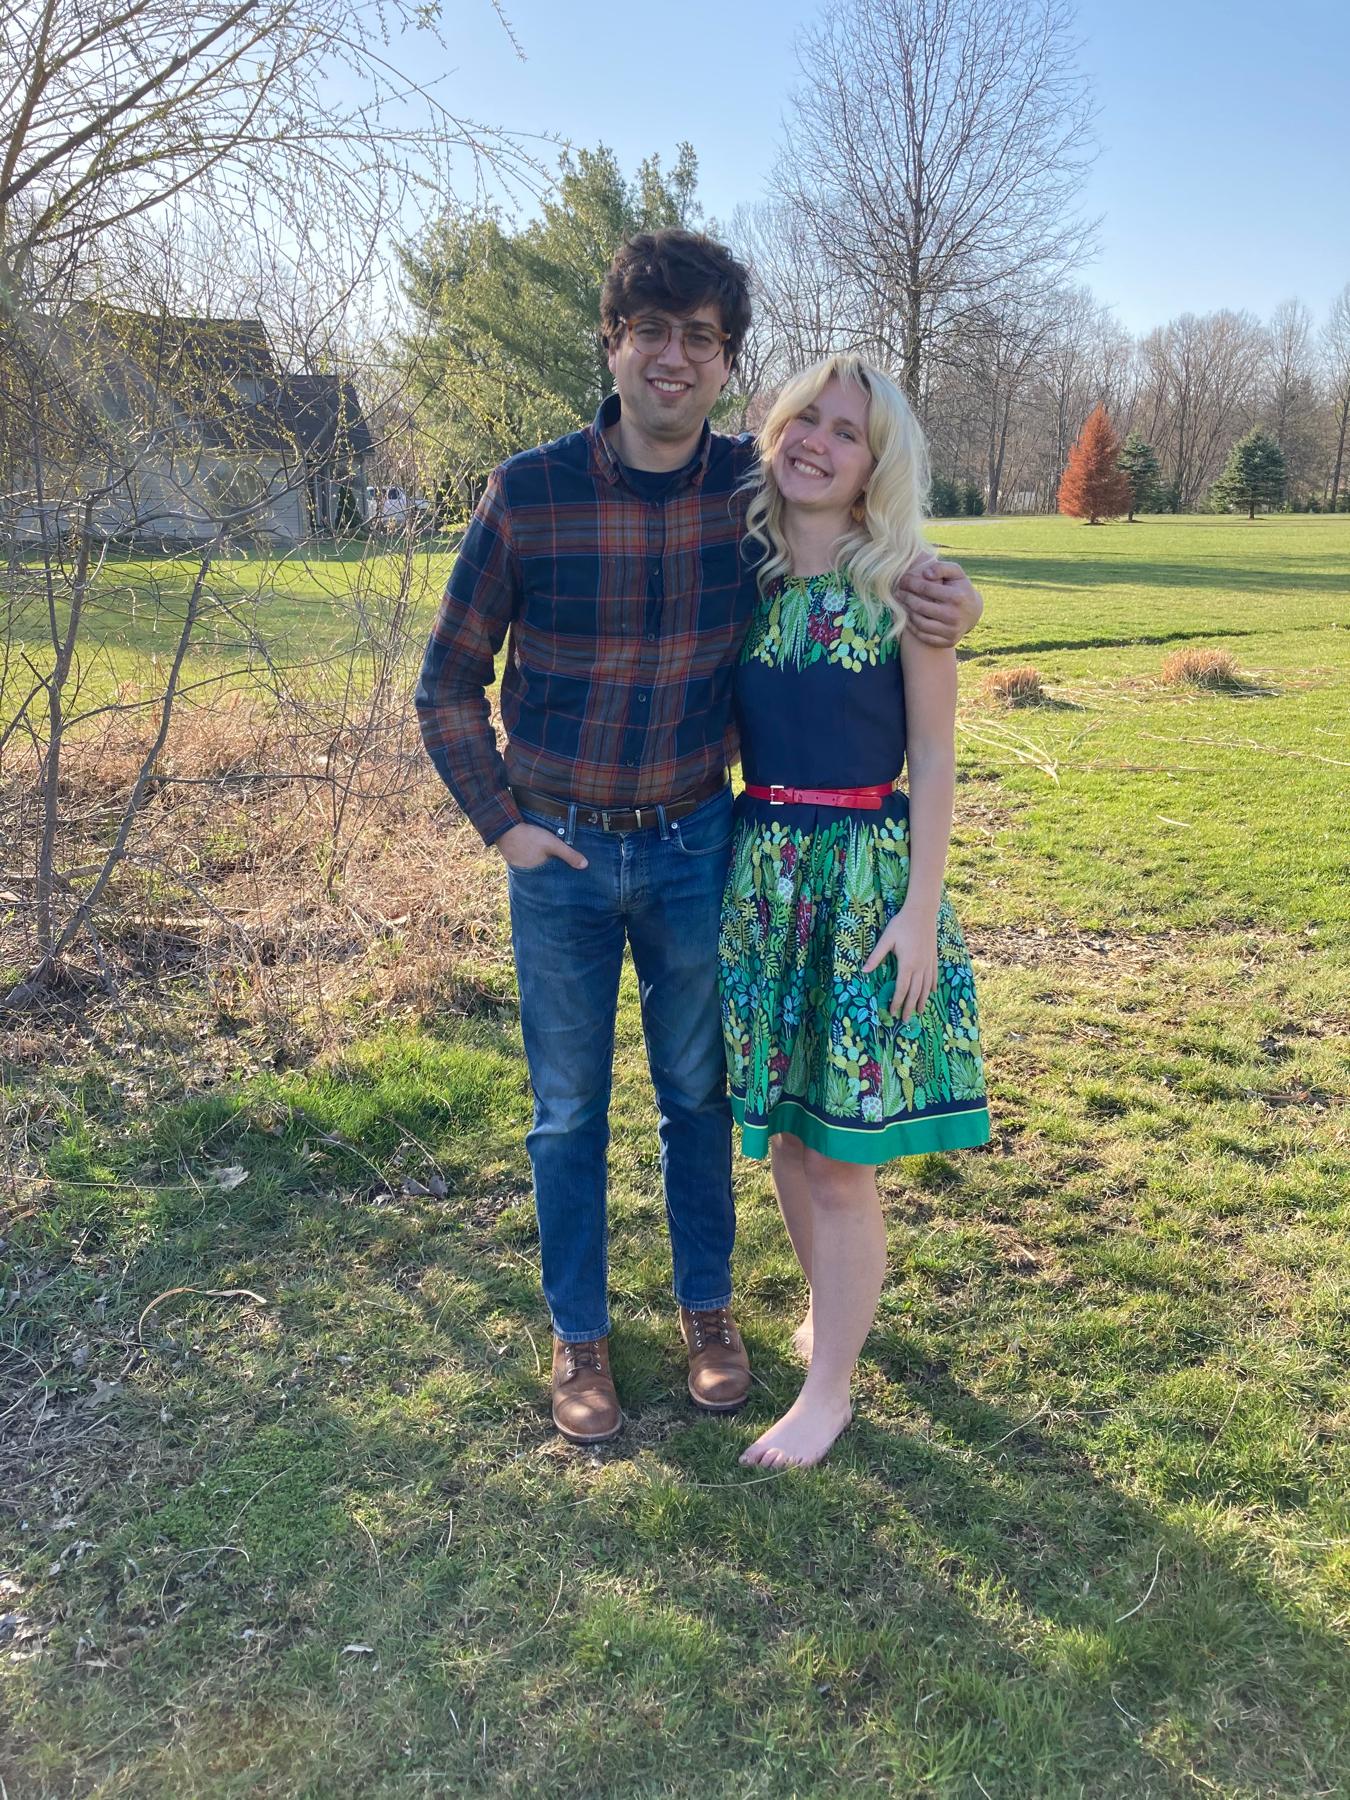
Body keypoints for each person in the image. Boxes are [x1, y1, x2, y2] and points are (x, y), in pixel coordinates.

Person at [415, 229, 984, 1447]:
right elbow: (447, 683)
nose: (673, 357)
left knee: (701, 1098)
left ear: (727, 363)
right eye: (650, 332)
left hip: (697, 851)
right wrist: (505, 827)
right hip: (564, 856)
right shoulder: (531, 494)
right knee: (567, 1112)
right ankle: (580, 1337)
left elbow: (878, 574)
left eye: (701, 338)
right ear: (611, 344)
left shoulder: (749, 496)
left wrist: (953, 598)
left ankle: (708, 1313)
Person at [718, 354, 991, 1470]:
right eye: (807, 419)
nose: (819, 443)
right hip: (763, 882)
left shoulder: (907, 588)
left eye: (848, 433)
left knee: (841, 1157)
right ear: (775, 428)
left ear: (877, 466)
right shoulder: (741, 570)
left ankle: (827, 1393)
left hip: (864, 886)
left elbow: (934, 754)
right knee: (790, 1130)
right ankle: (828, 1315)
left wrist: (921, 910)